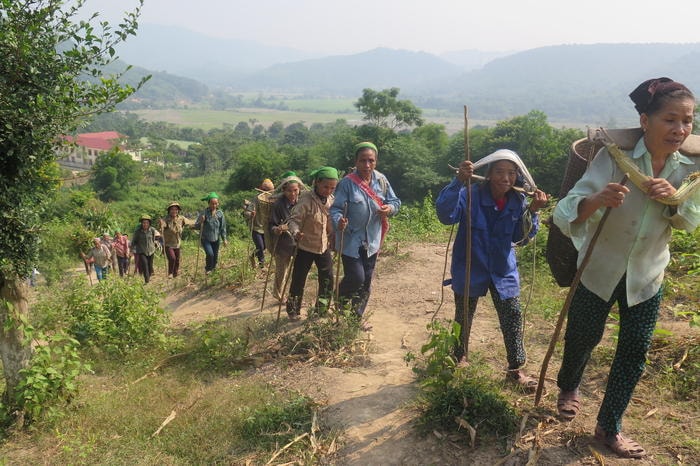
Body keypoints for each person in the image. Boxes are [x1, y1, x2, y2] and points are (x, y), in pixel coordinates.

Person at [552, 77, 700, 459]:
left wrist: (674, 202)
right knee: (583, 336)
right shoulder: (613, 158)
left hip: (647, 276)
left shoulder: (688, 170)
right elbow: (566, 210)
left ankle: (609, 427)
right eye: (671, 119)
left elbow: (690, 220)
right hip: (599, 268)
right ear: (645, 120)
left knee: (635, 351)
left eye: (688, 121)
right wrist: (598, 199)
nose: (680, 129)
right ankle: (569, 386)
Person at [435, 150, 548, 390]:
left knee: (512, 315)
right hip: (470, 264)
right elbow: (446, 215)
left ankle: (515, 369)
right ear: (488, 174)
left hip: (502, 269)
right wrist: (458, 182)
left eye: (511, 173)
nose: (505, 178)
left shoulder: (519, 201)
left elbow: (521, 237)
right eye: (499, 172)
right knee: (464, 314)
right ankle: (460, 357)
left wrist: (534, 211)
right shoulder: (470, 194)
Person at [331, 142, 401, 326]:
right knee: (356, 277)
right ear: (356, 162)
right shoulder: (347, 183)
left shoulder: (382, 181)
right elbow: (336, 209)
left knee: (366, 282)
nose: (367, 165)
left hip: (372, 241)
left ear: (376, 162)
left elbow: (396, 201)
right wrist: (339, 221)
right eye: (363, 161)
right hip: (351, 241)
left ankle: (355, 319)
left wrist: (390, 208)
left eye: (371, 160)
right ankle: (339, 299)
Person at [286, 167, 338, 320]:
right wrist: (296, 233)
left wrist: (337, 229)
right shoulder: (306, 200)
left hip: (323, 246)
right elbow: (293, 221)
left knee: (327, 279)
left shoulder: (331, 200)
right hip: (305, 246)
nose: (328, 190)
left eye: (332, 187)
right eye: (325, 187)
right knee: (299, 279)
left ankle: (321, 310)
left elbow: (331, 220)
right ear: (317, 183)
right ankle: (293, 311)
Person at [269, 172, 304, 302]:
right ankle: (278, 295)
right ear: (284, 190)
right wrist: (278, 229)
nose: (293, 194)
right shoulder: (278, 205)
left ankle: (293, 296)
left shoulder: (301, 203)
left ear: (299, 189)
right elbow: (271, 225)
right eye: (289, 191)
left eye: (295, 190)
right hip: (283, 245)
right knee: (281, 271)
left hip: (299, 243)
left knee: (297, 272)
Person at [244, 179, 275, 268]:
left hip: (265, 227)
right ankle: (262, 264)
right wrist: (251, 214)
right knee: (260, 246)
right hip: (256, 227)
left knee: (265, 246)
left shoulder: (272, 200)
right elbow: (247, 213)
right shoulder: (256, 199)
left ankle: (252, 256)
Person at [195, 192, 228, 274]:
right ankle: (208, 269)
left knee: (215, 257)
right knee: (210, 254)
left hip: (216, 238)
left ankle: (213, 269)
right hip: (206, 238)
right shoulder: (204, 213)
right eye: (212, 203)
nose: (214, 205)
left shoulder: (220, 214)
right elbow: (197, 226)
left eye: (216, 204)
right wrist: (201, 221)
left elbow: (223, 227)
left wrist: (224, 239)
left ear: (218, 204)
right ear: (209, 203)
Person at [160, 201, 194, 278]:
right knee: (172, 258)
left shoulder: (181, 218)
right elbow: (163, 226)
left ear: (178, 210)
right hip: (168, 244)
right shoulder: (166, 219)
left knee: (177, 261)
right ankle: (170, 273)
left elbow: (190, 223)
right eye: (172, 209)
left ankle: (175, 274)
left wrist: (199, 223)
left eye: (176, 209)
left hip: (177, 244)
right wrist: (161, 225)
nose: (174, 211)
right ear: (169, 210)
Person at [131, 214, 158, 284]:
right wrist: (131, 250)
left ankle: (149, 276)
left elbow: (154, 238)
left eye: (147, 223)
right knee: (145, 265)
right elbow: (134, 241)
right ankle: (147, 280)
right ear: (141, 223)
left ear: (149, 223)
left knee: (150, 265)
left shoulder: (152, 230)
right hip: (142, 251)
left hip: (151, 250)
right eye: (143, 223)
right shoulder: (138, 232)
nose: (145, 224)